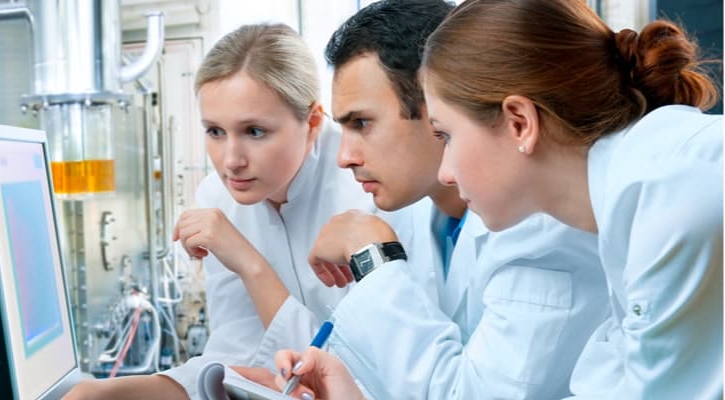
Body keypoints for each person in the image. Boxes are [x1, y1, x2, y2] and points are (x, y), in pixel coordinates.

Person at [277, 0, 723, 399]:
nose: (446, 171)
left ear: (519, 123)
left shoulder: (666, 194)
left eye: (445, 135)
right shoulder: (632, 204)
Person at [64, 23, 374, 399]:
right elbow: (236, 355)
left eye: (254, 131)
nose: (230, 161)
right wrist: (115, 392)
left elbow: (342, 378)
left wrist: (248, 262)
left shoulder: (366, 189)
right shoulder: (216, 195)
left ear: (311, 122)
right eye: (214, 131)